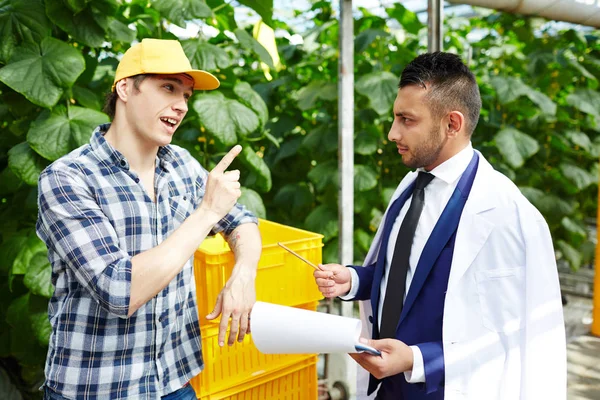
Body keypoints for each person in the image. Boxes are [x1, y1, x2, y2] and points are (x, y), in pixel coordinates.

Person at [314, 52, 566, 400]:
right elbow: (403, 274)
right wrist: (354, 280)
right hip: (385, 387)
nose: (392, 133)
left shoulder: (509, 217)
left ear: (452, 124)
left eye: (406, 120)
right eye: (394, 118)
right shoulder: (410, 187)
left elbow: (515, 335)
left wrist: (416, 359)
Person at [36, 38, 261, 400]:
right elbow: (119, 290)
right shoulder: (68, 178)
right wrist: (206, 213)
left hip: (175, 381)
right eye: (168, 88)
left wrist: (243, 274)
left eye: (186, 95)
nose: (181, 105)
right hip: (96, 388)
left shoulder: (181, 164)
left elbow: (243, 222)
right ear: (125, 88)